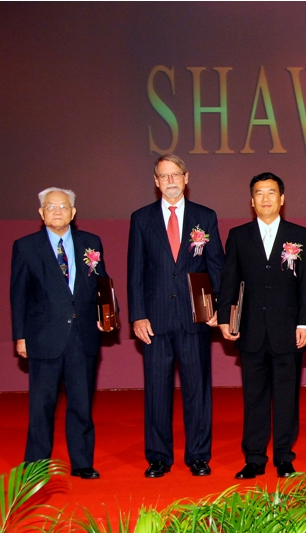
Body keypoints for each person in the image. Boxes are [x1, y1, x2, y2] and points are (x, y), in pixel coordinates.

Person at [127, 154, 224, 478]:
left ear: (186, 178)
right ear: (156, 181)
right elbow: (135, 272)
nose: (170, 181)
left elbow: (216, 266)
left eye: (175, 175)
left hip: (195, 317)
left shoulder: (205, 216)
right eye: (163, 176)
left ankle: (198, 455)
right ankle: (158, 457)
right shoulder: (141, 219)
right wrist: (138, 316)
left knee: (198, 390)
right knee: (157, 390)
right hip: (155, 320)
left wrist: (219, 308)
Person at [217, 173, 306, 479]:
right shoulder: (238, 236)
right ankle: (254, 458)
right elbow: (229, 280)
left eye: (271, 192)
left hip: (288, 329)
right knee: (254, 397)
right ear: (252, 201)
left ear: (282, 199)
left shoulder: (299, 235)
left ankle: (284, 456)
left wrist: (305, 322)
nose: (266, 198)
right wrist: (225, 317)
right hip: (251, 329)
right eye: (259, 193)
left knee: (287, 397)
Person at [10, 187, 110, 479]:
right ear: (41, 213)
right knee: (42, 405)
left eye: (63, 207)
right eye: (51, 207)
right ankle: (36, 466)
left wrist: (107, 315)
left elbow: (102, 284)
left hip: (82, 335)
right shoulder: (26, 246)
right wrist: (20, 336)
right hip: (43, 337)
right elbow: (18, 295)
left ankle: (82, 463)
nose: (57, 211)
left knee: (81, 403)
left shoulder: (91, 243)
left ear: (73, 212)